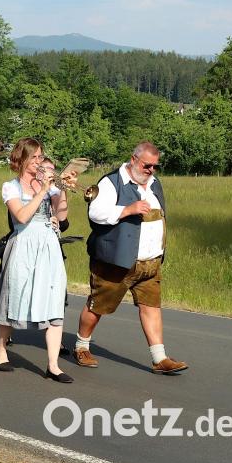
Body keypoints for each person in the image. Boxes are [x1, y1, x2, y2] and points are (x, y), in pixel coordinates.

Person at [74, 141, 188, 375]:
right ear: (134, 159)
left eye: (155, 166)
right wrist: (128, 209)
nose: (151, 171)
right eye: (147, 165)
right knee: (98, 306)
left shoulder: (155, 183)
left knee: (151, 307)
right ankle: (81, 346)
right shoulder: (110, 182)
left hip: (151, 262)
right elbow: (95, 214)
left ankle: (159, 358)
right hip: (116, 261)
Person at [0, 138, 73, 383]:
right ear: (22, 159)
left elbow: (61, 215)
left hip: (48, 245)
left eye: (41, 157)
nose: (39, 162)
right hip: (23, 244)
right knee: (14, 296)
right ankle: (0, 347)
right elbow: (22, 216)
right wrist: (42, 191)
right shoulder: (11, 187)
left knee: (54, 298)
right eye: (35, 157)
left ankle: (52, 364)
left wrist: (64, 189)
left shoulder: (48, 185)